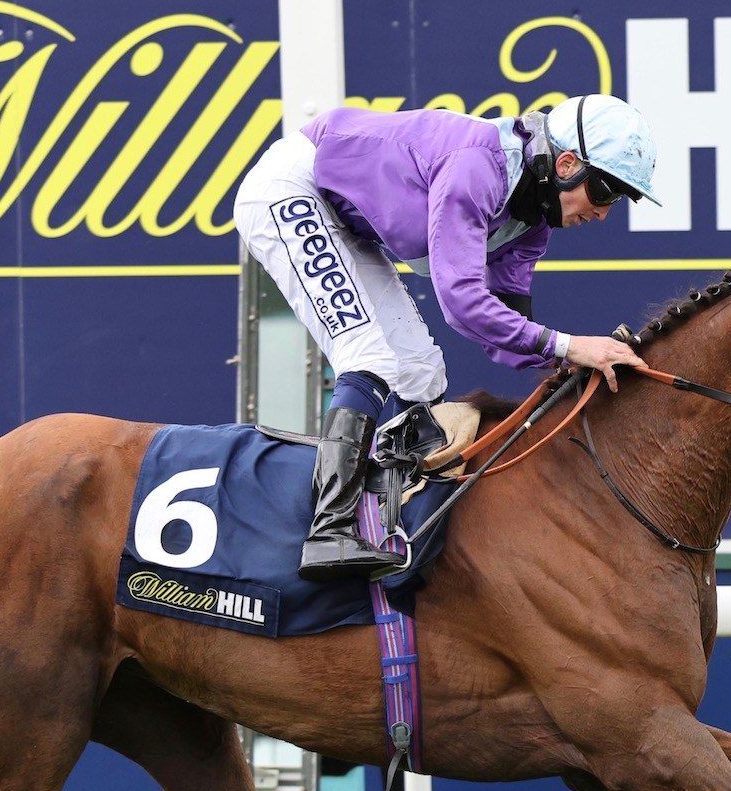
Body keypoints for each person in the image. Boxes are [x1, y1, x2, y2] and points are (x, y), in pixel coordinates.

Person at [234, 93, 657, 581]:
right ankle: (329, 531)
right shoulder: (477, 167)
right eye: (605, 191)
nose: (604, 213)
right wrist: (568, 346)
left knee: (421, 371)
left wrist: (571, 360)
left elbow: (503, 327)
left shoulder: (533, 225)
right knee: (368, 355)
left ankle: (389, 519)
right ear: (566, 165)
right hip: (293, 187)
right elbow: (462, 302)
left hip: (345, 221)